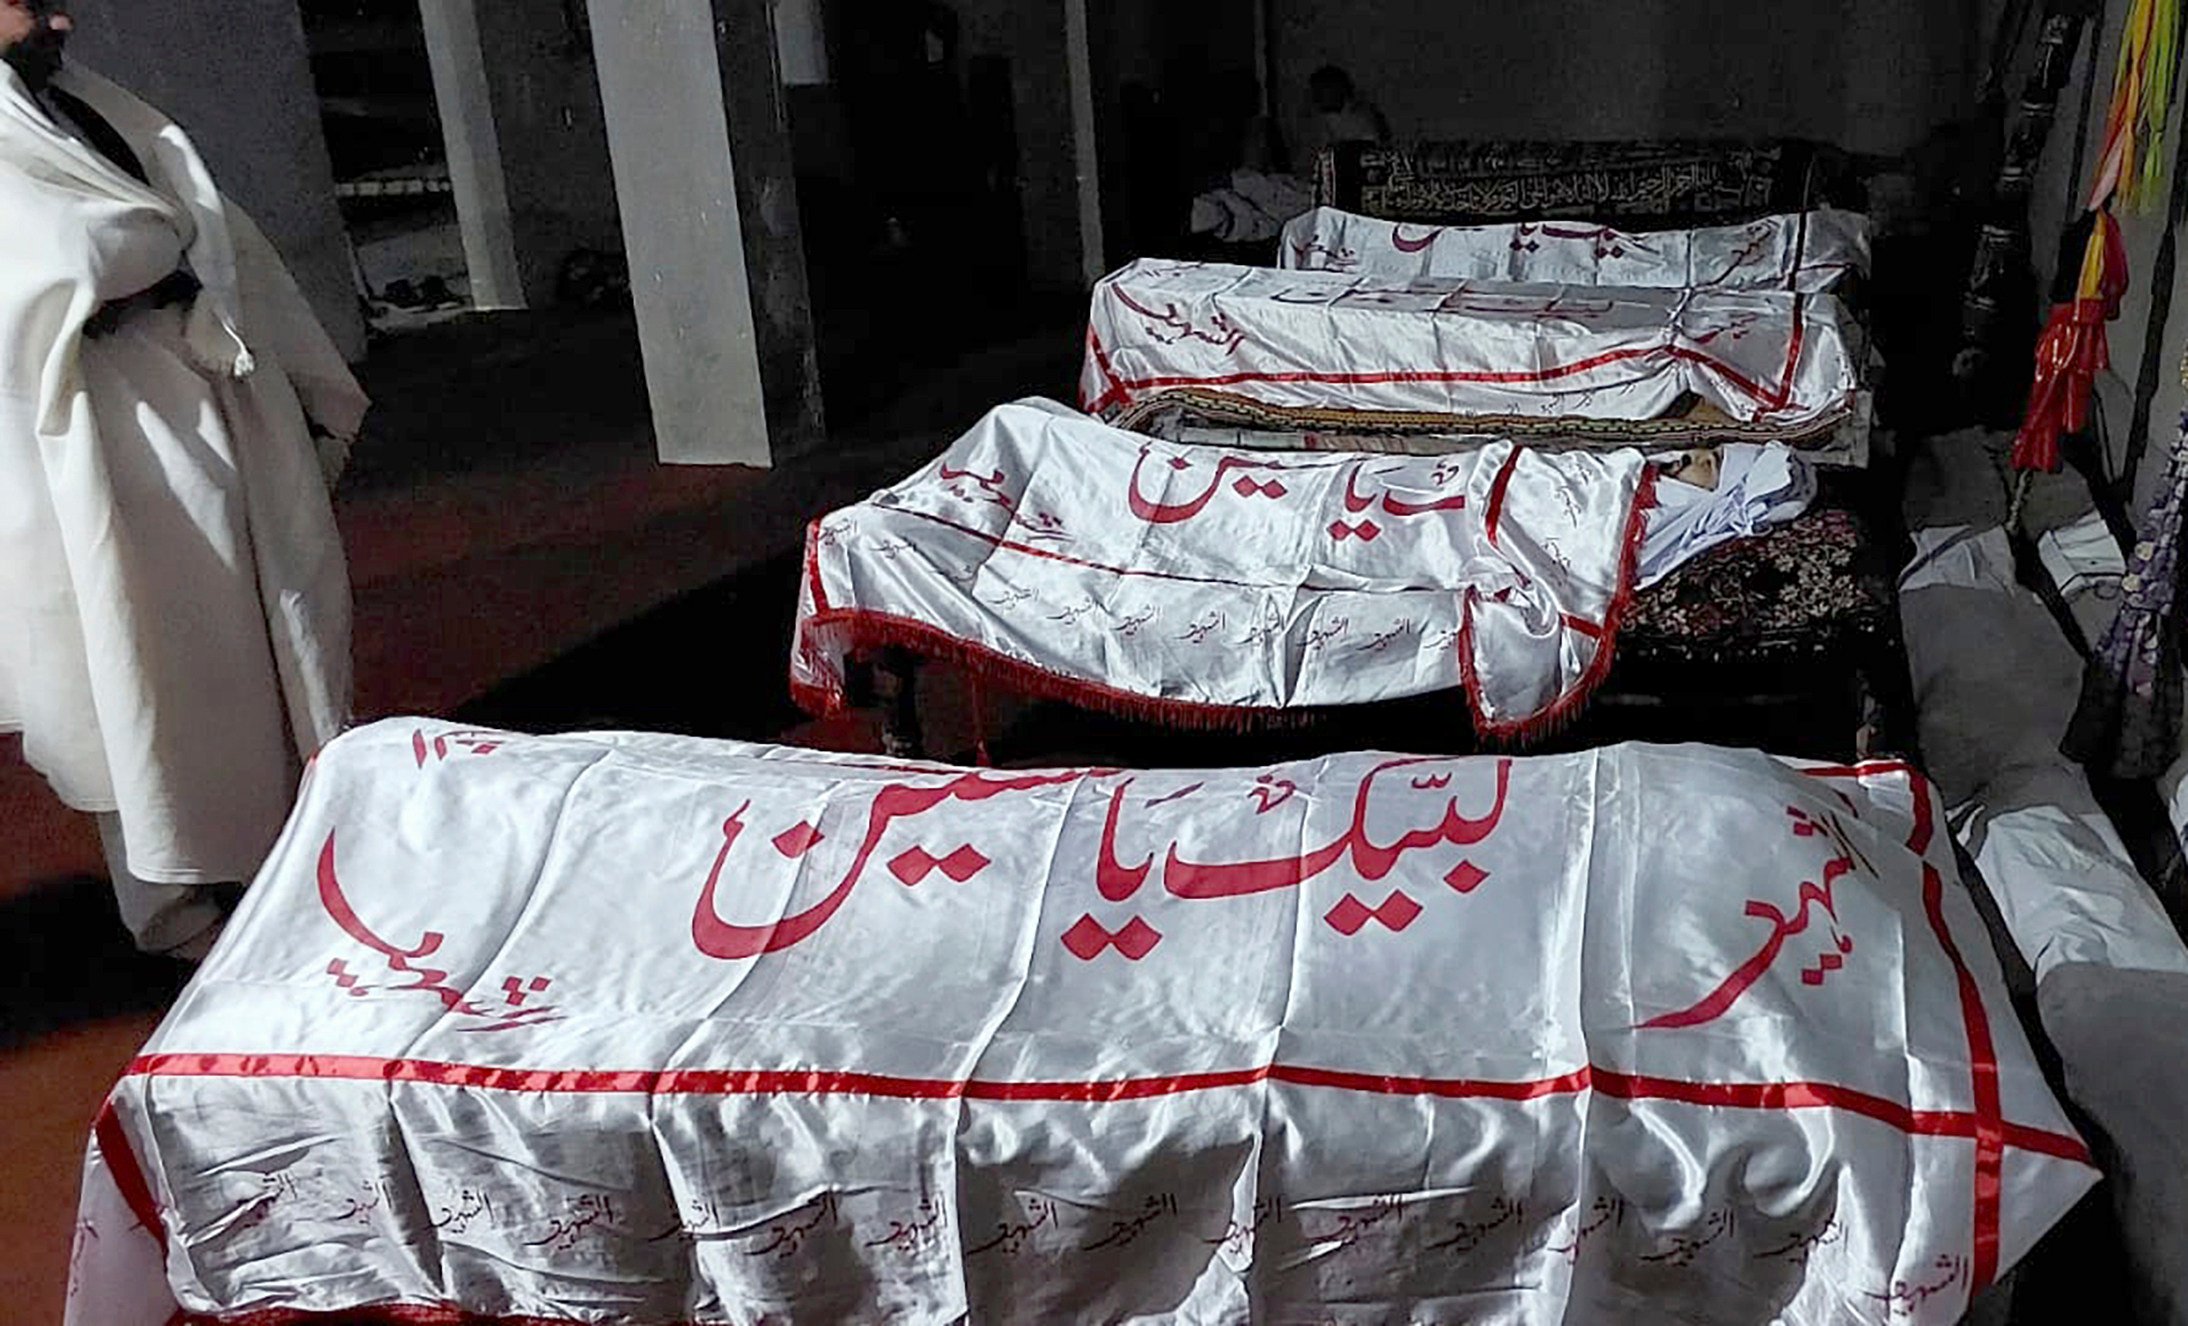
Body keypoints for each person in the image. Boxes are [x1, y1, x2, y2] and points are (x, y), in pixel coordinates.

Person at [0, 0, 367, 958]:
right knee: (142, 666)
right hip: (107, 429)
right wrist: (160, 247)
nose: (60, 20)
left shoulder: (81, 101)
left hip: (211, 395)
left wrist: (167, 255)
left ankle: (299, 854)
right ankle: (175, 910)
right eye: (30, 3)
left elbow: (201, 226)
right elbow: (67, 256)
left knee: (274, 629)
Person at [1301, 64, 1389, 164]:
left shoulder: (1362, 119)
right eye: (1316, 91)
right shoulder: (1315, 121)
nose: (1317, 96)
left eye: (1324, 90)